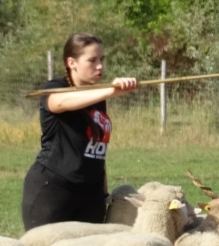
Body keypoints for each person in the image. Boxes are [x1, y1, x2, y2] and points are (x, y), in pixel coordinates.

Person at [21, 32, 139, 231]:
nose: (100, 66)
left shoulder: (98, 97)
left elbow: (97, 152)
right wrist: (111, 90)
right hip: (53, 191)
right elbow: (60, 102)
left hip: (90, 195)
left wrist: (103, 193)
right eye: (92, 60)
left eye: (102, 59)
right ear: (72, 62)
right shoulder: (55, 88)